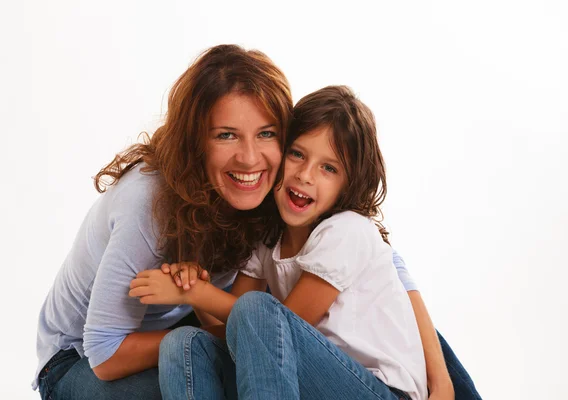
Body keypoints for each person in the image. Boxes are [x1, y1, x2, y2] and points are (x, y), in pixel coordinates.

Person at [130, 86, 480, 399]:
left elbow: (283, 320)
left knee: (259, 309)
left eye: (329, 168)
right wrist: (192, 282)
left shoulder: (347, 231)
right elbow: (235, 331)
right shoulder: (268, 239)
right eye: (298, 154)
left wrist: (193, 295)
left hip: (379, 390)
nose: (305, 174)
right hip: (308, 381)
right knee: (185, 343)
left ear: (348, 185)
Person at [33, 44, 293, 400]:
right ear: (195, 141)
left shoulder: (274, 190)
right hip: (78, 360)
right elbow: (105, 354)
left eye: (266, 133)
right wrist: (243, 335)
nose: (249, 159)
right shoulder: (148, 202)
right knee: (222, 382)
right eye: (226, 135)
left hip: (176, 325)